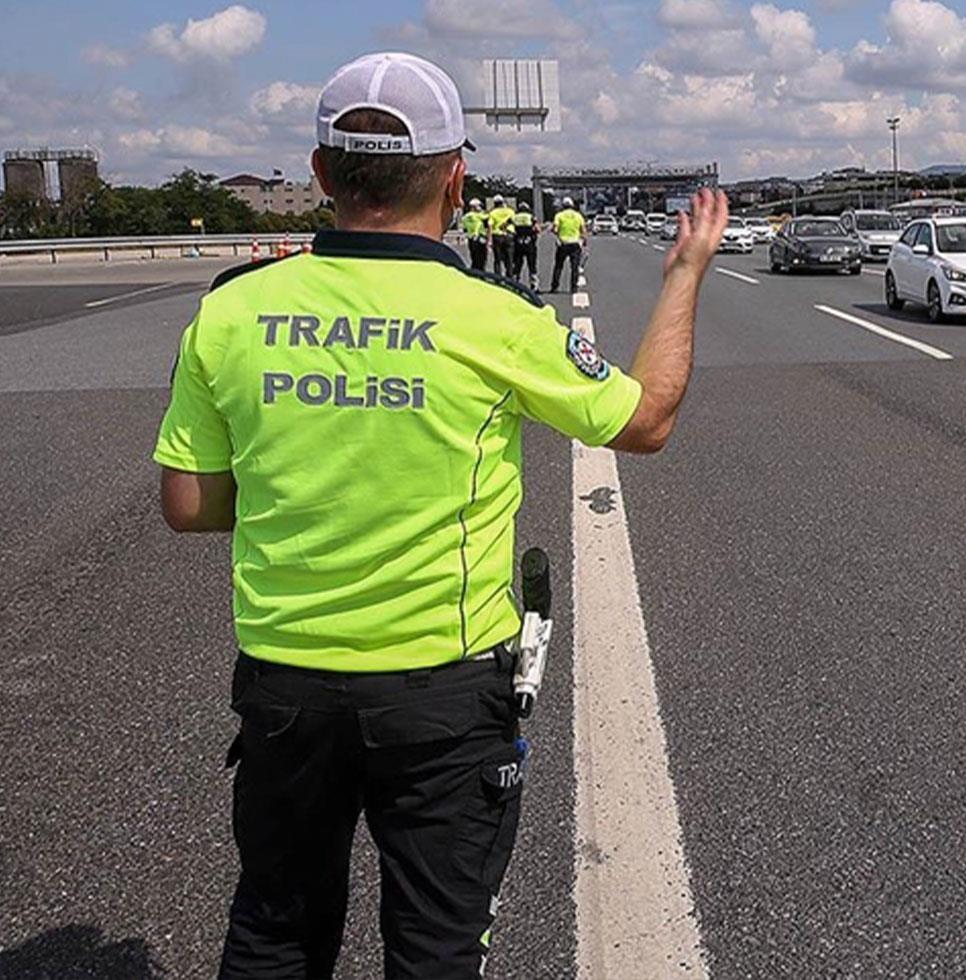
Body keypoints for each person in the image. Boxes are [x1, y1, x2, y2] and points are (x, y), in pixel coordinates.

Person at [152, 50, 727, 980]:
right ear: (456, 178)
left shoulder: (231, 311)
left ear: (320, 174)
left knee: (274, 930)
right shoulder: (494, 317)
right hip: (442, 692)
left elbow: (187, 504)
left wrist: (304, 485)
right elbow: (645, 418)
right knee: (436, 949)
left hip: (286, 687)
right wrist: (686, 273)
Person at [549, 197, 586, 294]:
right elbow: (583, 230)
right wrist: (584, 241)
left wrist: (556, 233)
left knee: (558, 266)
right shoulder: (578, 216)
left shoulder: (559, 215)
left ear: (563, 206)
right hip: (575, 244)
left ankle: (554, 287)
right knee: (574, 267)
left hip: (563, 244)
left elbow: (555, 229)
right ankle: (574, 288)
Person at [510, 201, 540, 290]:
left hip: (518, 243)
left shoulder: (514, 217)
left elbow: (505, 226)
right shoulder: (531, 217)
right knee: (532, 264)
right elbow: (537, 229)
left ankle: (515, 283)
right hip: (529, 243)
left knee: (517, 264)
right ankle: (534, 285)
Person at [487, 194, 516, 278]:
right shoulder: (510, 211)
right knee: (509, 259)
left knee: (497, 259)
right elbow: (514, 222)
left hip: (497, 236)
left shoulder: (492, 213)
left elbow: (490, 226)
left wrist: (489, 240)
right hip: (509, 236)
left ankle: (498, 277)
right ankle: (510, 277)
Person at [461, 197, 488, 271]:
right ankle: (481, 274)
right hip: (480, 237)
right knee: (482, 258)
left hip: (471, 237)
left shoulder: (465, 217)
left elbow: (464, 227)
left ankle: (474, 272)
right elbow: (487, 217)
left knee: (474, 257)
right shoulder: (478, 215)